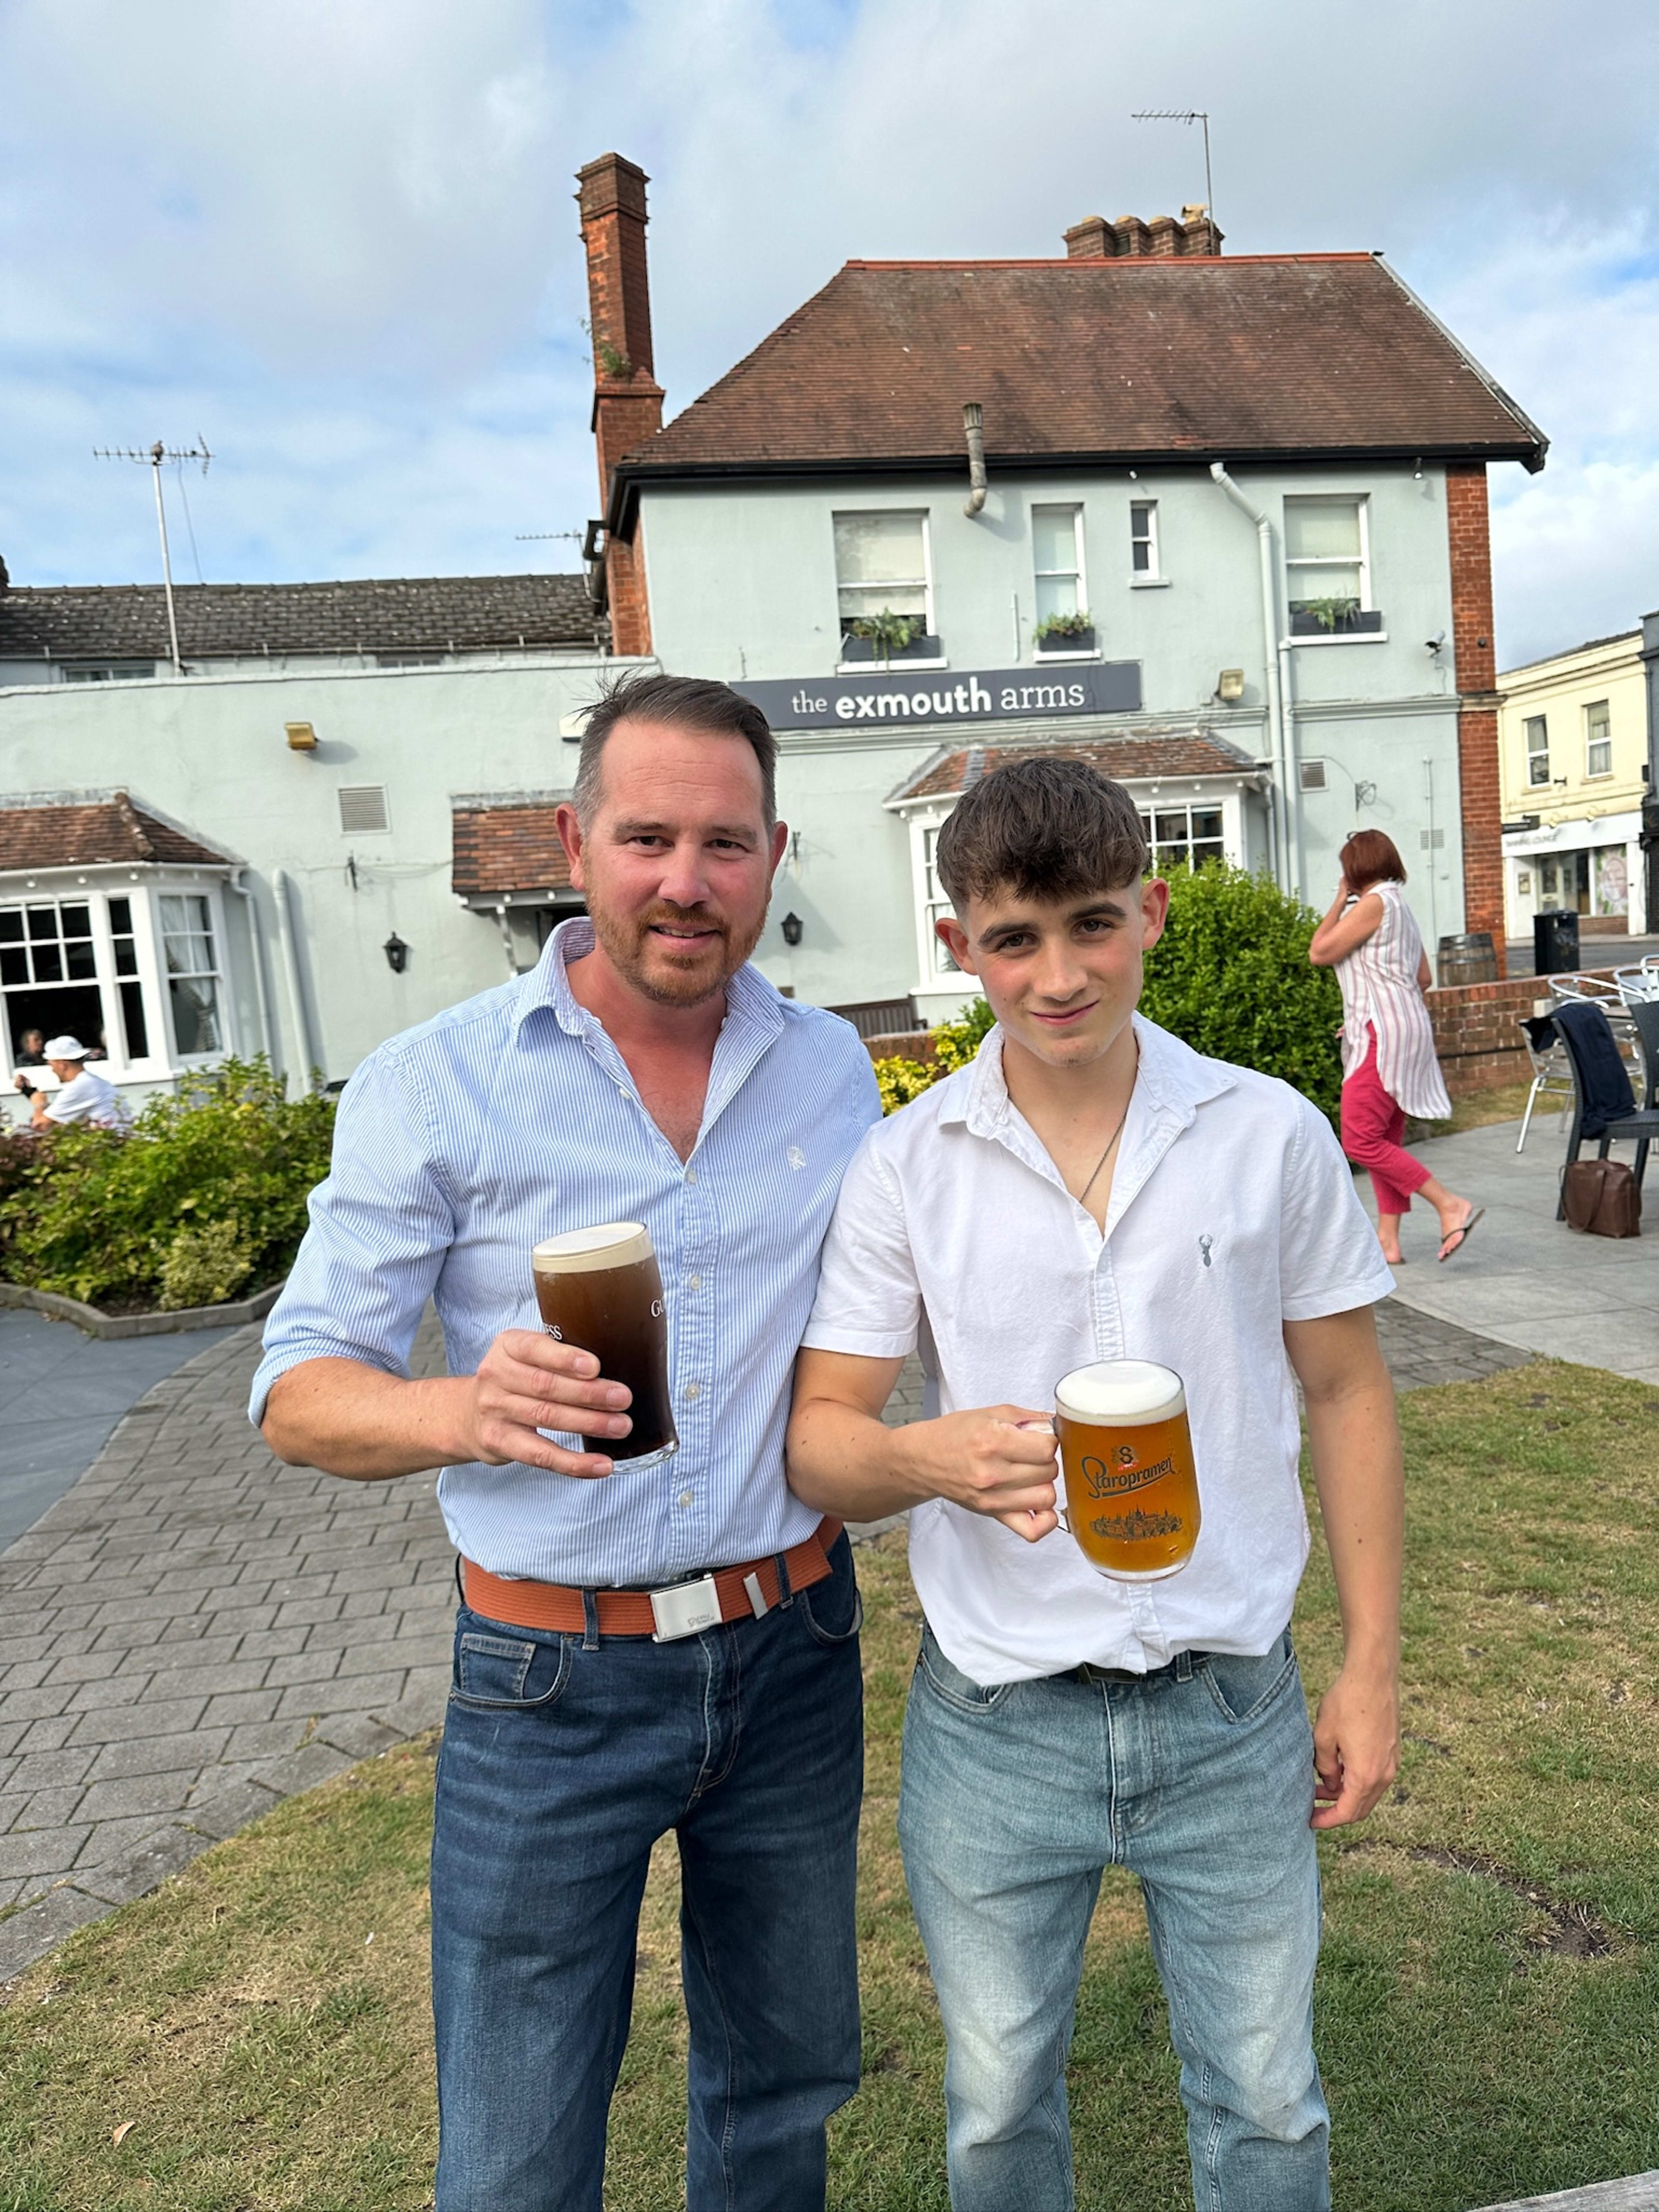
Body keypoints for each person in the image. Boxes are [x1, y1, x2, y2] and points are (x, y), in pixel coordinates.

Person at [253, 673, 880, 2212]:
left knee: (782, 2086)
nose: (687, 880)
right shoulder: (435, 1086)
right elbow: (296, 1390)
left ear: (776, 851)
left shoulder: (830, 1070)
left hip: (795, 1643)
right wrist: (462, 1407)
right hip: (550, 1684)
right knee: (520, 2151)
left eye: (725, 843)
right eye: (649, 835)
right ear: (575, 842)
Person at [787, 757, 1403, 2212]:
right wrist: (922, 1459)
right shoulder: (905, 1168)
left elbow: (1350, 1390)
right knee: (997, 2110)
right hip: (1000, 1725)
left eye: (1094, 926)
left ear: (1154, 913)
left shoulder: (1265, 1133)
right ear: (958, 950)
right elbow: (822, 1436)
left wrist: (1370, 1666)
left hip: (1231, 1707)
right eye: (1015, 939)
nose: (1058, 975)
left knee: (1267, 2106)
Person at [1308, 829, 1482, 1264]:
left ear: (1355, 867)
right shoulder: (1400, 906)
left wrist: (1339, 899)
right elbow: (1423, 977)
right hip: (1408, 1029)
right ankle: (1388, 1240)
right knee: (1385, 1138)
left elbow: (1320, 951)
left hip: (1381, 1033)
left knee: (1360, 1140)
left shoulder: (1374, 903)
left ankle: (1448, 1204)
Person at [18, 1036, 131, 1129]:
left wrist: (40, 1104)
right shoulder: (90, 1082)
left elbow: (40, 1126)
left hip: (111, 1148)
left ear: (62, 1065)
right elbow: (57, 1120)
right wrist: (30, 1093)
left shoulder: (80, 1087)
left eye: (51, 1065)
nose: (52, 1070)